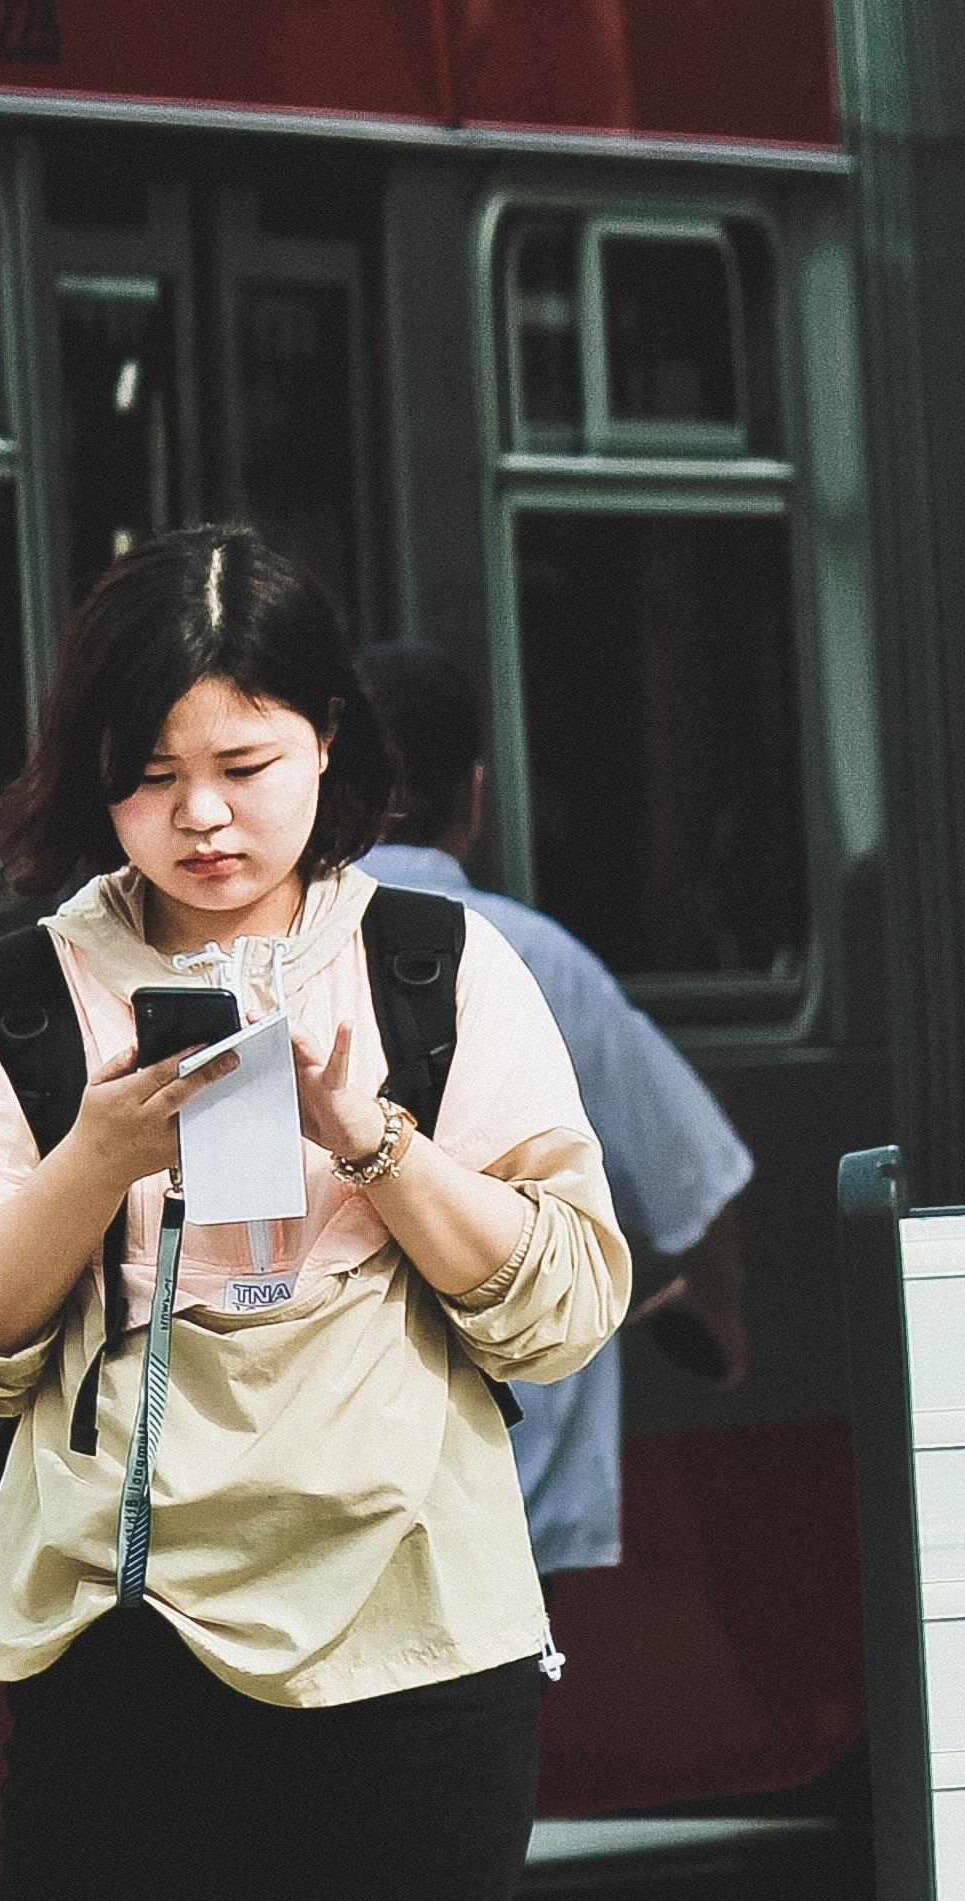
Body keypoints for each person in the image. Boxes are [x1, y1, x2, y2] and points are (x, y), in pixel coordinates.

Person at [0, 528, 630, 1901]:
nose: (202, 818)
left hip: (419, 1644)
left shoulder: (438, 971)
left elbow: (565, 1304)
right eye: (150, 780)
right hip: (125, 1655)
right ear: (92, 789)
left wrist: (372, 1134)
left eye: (245, 766)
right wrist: (96, 1158)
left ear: (334, 745)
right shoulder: (17, 1002)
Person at [356, 640, 754, 1578]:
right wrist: (713, 1309)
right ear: (477, 798)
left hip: (328, 1536)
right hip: (519, 1522)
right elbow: (698, 1179)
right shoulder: (540, 962)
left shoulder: (266, 962)